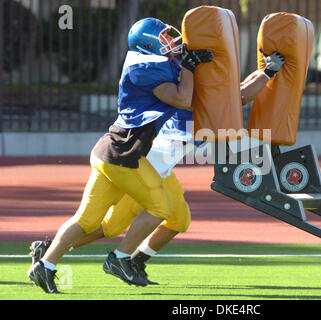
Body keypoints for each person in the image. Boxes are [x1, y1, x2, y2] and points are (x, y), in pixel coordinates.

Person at [29, 48, 286, 286]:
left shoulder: (195, 83)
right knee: (111, 226)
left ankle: (136, 261)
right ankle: (53, 251)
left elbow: (236, 92)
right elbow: (239, 97)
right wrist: (267, 72)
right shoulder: (189, 91)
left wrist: (265, 69)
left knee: (179, 220)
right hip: (141, 166)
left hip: (161, 168)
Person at [27, 17, 213, 294]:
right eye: (164, 39)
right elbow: (183, 99)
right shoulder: (144, 67)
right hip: (124, 154)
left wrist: (194, 56)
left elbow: (188, 80)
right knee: (160, 208)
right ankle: (120, 259)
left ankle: (45, 264)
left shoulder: (153, 61)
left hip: (110, 151)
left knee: (87, 220)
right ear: (149, 45)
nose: (171, 42)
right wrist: (188, 64)